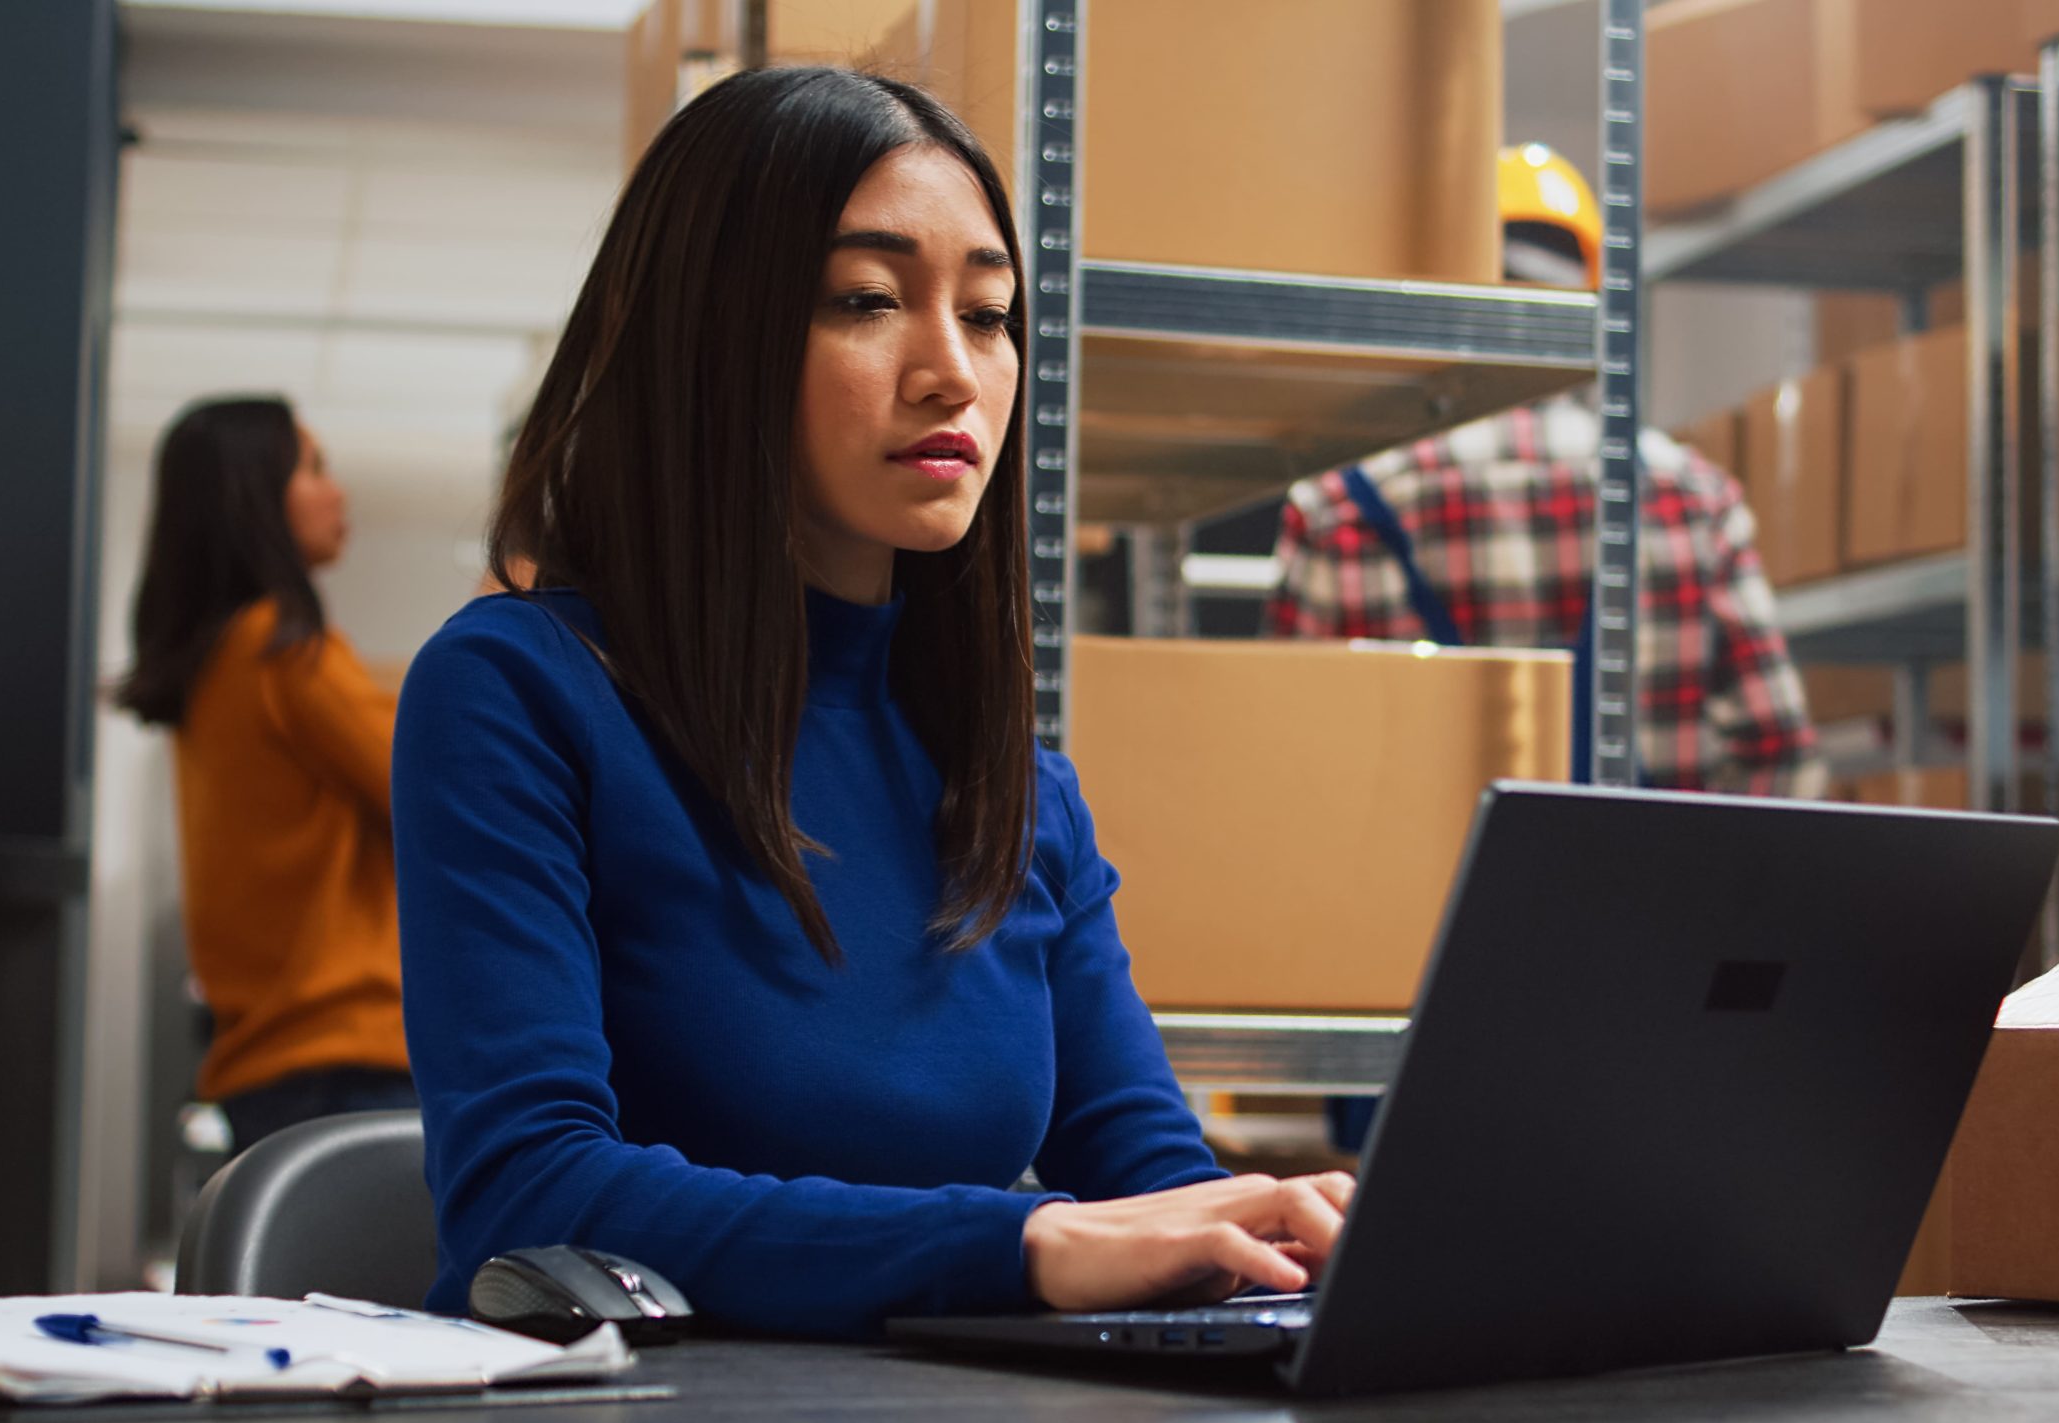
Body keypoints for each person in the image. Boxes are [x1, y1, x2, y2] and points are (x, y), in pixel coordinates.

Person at [392, 67, 1352, 1342]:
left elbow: (1151, 1174)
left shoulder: (1015, 782)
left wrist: (1290, 1235)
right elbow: (526, 1193)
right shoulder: (517, 693)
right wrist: (1018, 1241)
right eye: (866, 301)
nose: (952, 373)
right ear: (708, 334)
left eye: (991, 315)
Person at [1266, 144, 1822, 796]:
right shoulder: (1693, 499)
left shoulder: (1342, 508)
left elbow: (1288, 762)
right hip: (1640, 895)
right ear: (1589, 303)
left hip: (1423, 895)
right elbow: (1780, 753)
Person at [116, 396, 414, 1156]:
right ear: (253, 494)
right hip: (346, 1052)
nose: (337, 491)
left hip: (273, 1060)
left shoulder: (221, 657)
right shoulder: (285, 648)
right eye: (313, 468)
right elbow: (429, 788)